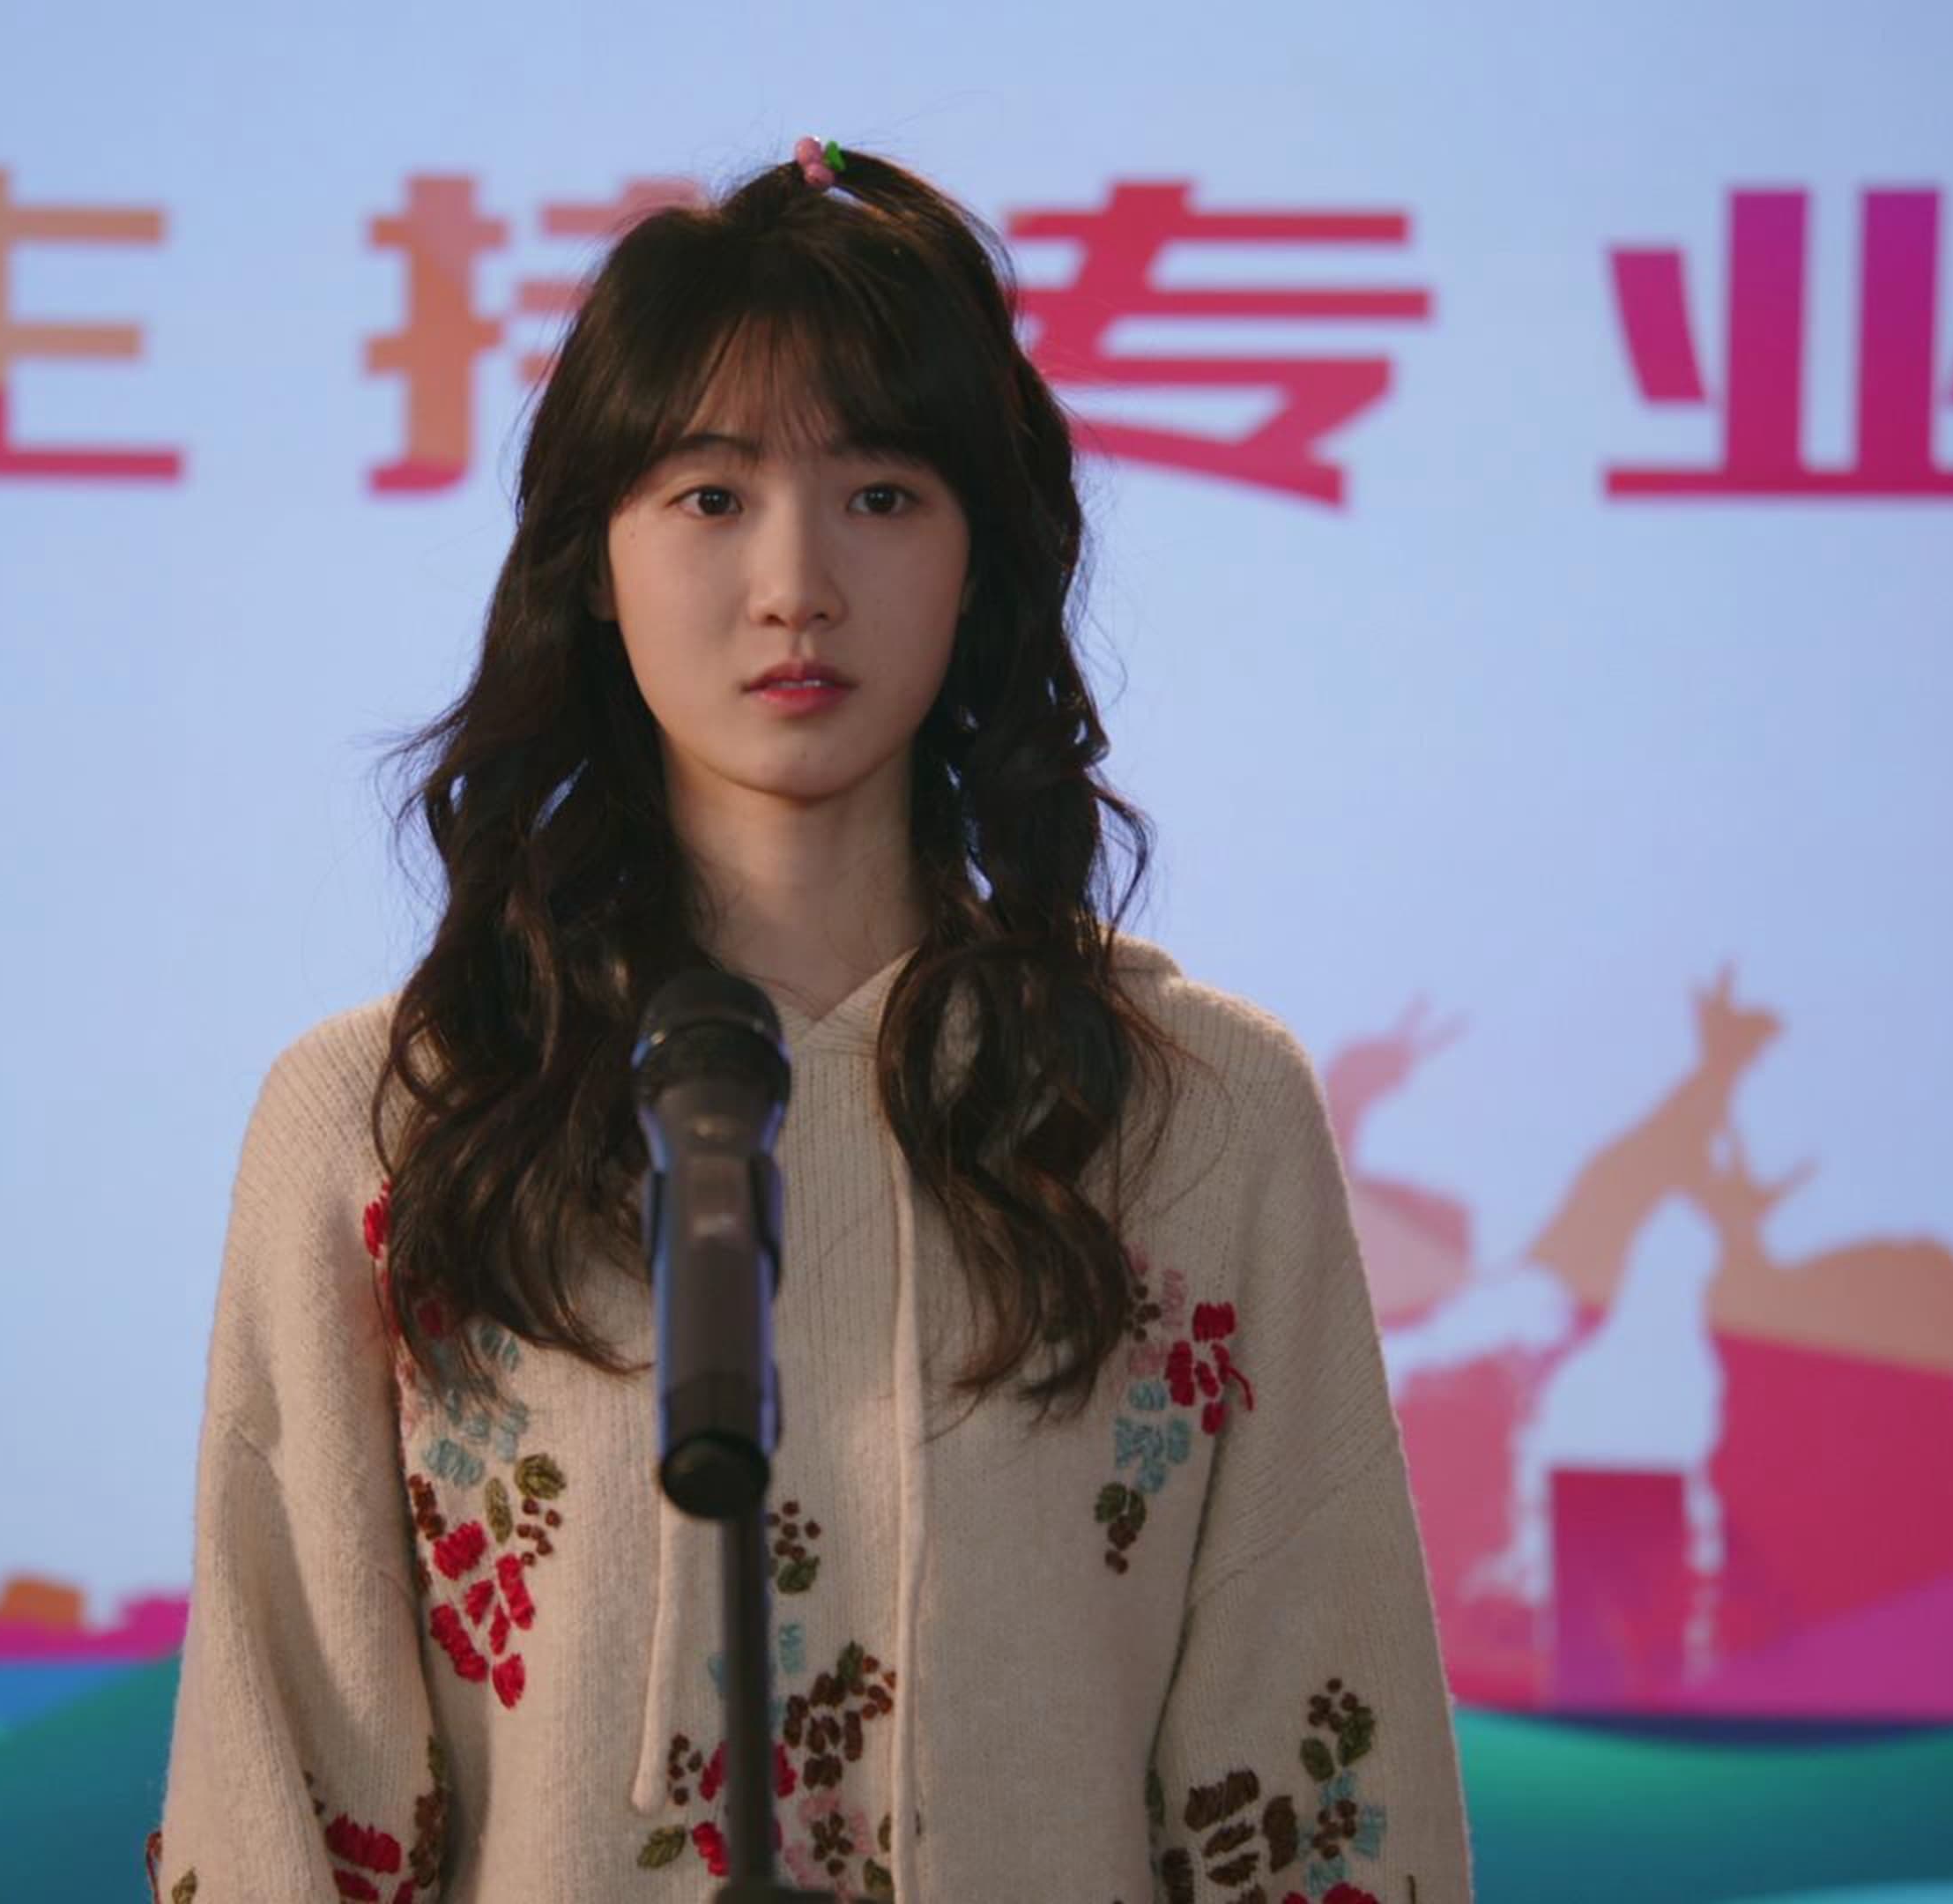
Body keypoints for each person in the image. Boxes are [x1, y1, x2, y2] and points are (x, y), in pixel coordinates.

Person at [150, 137, 1467, 1903]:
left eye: (883, 495)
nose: (795, 583)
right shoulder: (391, 1122)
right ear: (593, 559)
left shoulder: (1200, 1114)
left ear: (982, 558)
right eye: (710, 496)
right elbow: (282, 1802)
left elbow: (1326, 1808)